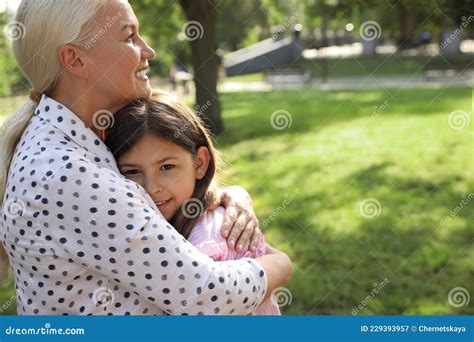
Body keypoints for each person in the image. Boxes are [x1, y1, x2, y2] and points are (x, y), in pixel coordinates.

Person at [0, 0, 292, 315]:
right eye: (130, 37)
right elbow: (204, 295)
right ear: (74, 59)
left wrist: (227, 196)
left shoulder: (77, 143)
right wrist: (279, 263)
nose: (148, 50)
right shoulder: (68, 175)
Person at [105, 93, 281, 315]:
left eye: (167, 167)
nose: (151, 187)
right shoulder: (169, 221)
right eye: (132, 171)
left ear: (200, 163)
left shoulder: (210, 242)